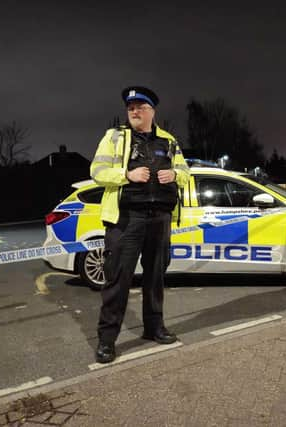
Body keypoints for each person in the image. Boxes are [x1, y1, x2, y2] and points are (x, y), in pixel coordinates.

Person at [90, 86, 190, 364]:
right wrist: (127, 174)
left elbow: (185, 171)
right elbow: (96, 172)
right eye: (130, 107)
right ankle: (107, 341)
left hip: (160, 218)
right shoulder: (115, 137)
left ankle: (154, 327)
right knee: (118, 281)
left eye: (140, 107)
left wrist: (176, 174)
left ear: (152, 111)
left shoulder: (169, 140)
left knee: (155, 277)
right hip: (127, 219)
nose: (134, 111)